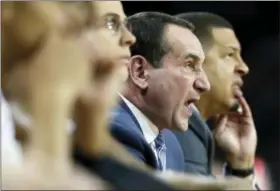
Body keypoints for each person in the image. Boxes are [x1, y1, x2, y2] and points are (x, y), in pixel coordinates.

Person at [110, 11, 210, 173]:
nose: (204, 84)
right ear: (140, 72)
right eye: (189, 65)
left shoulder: (171, 144)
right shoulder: (116, 131)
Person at [174, 12, 259, 189]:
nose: (244, 67)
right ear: (191, 62)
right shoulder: (178, 134)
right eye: (230, 54)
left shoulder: (193, 132)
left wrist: (241, 164)